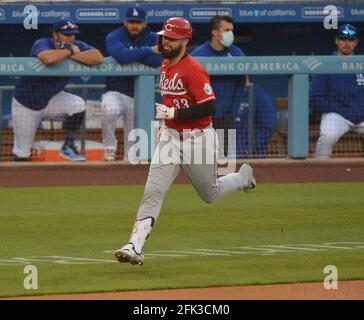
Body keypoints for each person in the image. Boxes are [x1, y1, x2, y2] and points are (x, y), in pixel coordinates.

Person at [114, 17, 256, 266]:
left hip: (198, 140)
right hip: (170, 139)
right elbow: (171, 103)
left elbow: (209, 106)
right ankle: (135, 245)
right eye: (164, 36)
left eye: (171, 37)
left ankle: (242, 178)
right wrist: (166, 123)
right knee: (153, 191)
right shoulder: (165, 65)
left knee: (209, 195)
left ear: (185, 41)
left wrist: (175, 114)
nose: (165, 41)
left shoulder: (194, 69)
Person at [12, 18, 103, 161]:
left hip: (51, 98)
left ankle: (68, 145)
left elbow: (98, 58)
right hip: (26, 103)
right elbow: (48, 58)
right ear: (55, 35)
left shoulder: (77, 45)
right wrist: (69, 52)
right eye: (66, 34)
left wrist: (72, 52)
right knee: (22, 153)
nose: (70, 38)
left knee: (79, 105)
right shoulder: (43, 43)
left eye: (73, 34)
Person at [101, 6, 163, 161]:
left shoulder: (155, 37)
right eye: (131, 21)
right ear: (125, 22)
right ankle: (109, 148)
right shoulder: (115, 36)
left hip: (142, 95)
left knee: (134, 154)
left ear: (145, 23)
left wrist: (132, 54)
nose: (135, 25)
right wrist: (148, 50)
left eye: (138, 22)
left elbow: (158, 60)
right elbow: (121, 57)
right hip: (115, 90)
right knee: (109, 109)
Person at [191, 15, 245, 156]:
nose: (230, 34)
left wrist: (233, 110)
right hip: (203, 115)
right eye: (226, 30)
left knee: (222, 157)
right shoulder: (199, 54)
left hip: (226, 115)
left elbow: (242, 83)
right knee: (200, 156)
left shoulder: (236, 53)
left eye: (231, 30)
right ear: (215, 32)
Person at [310, 24, 364, 159]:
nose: (347, 43)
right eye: (343, 39)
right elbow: (315, 98)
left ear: (356, 42)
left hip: (362, 115)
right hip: (337, 116)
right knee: (327, 136)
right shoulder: (326, 64)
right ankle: (319, 171)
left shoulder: (361, 63)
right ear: (337, 41)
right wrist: (343, 110)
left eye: (350, 40)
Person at [233, 77, 277, 158]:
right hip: (233, 155)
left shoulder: (259, 96)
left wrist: (248, 147)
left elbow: (268, 127)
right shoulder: (232, 95)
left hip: (254, 155)